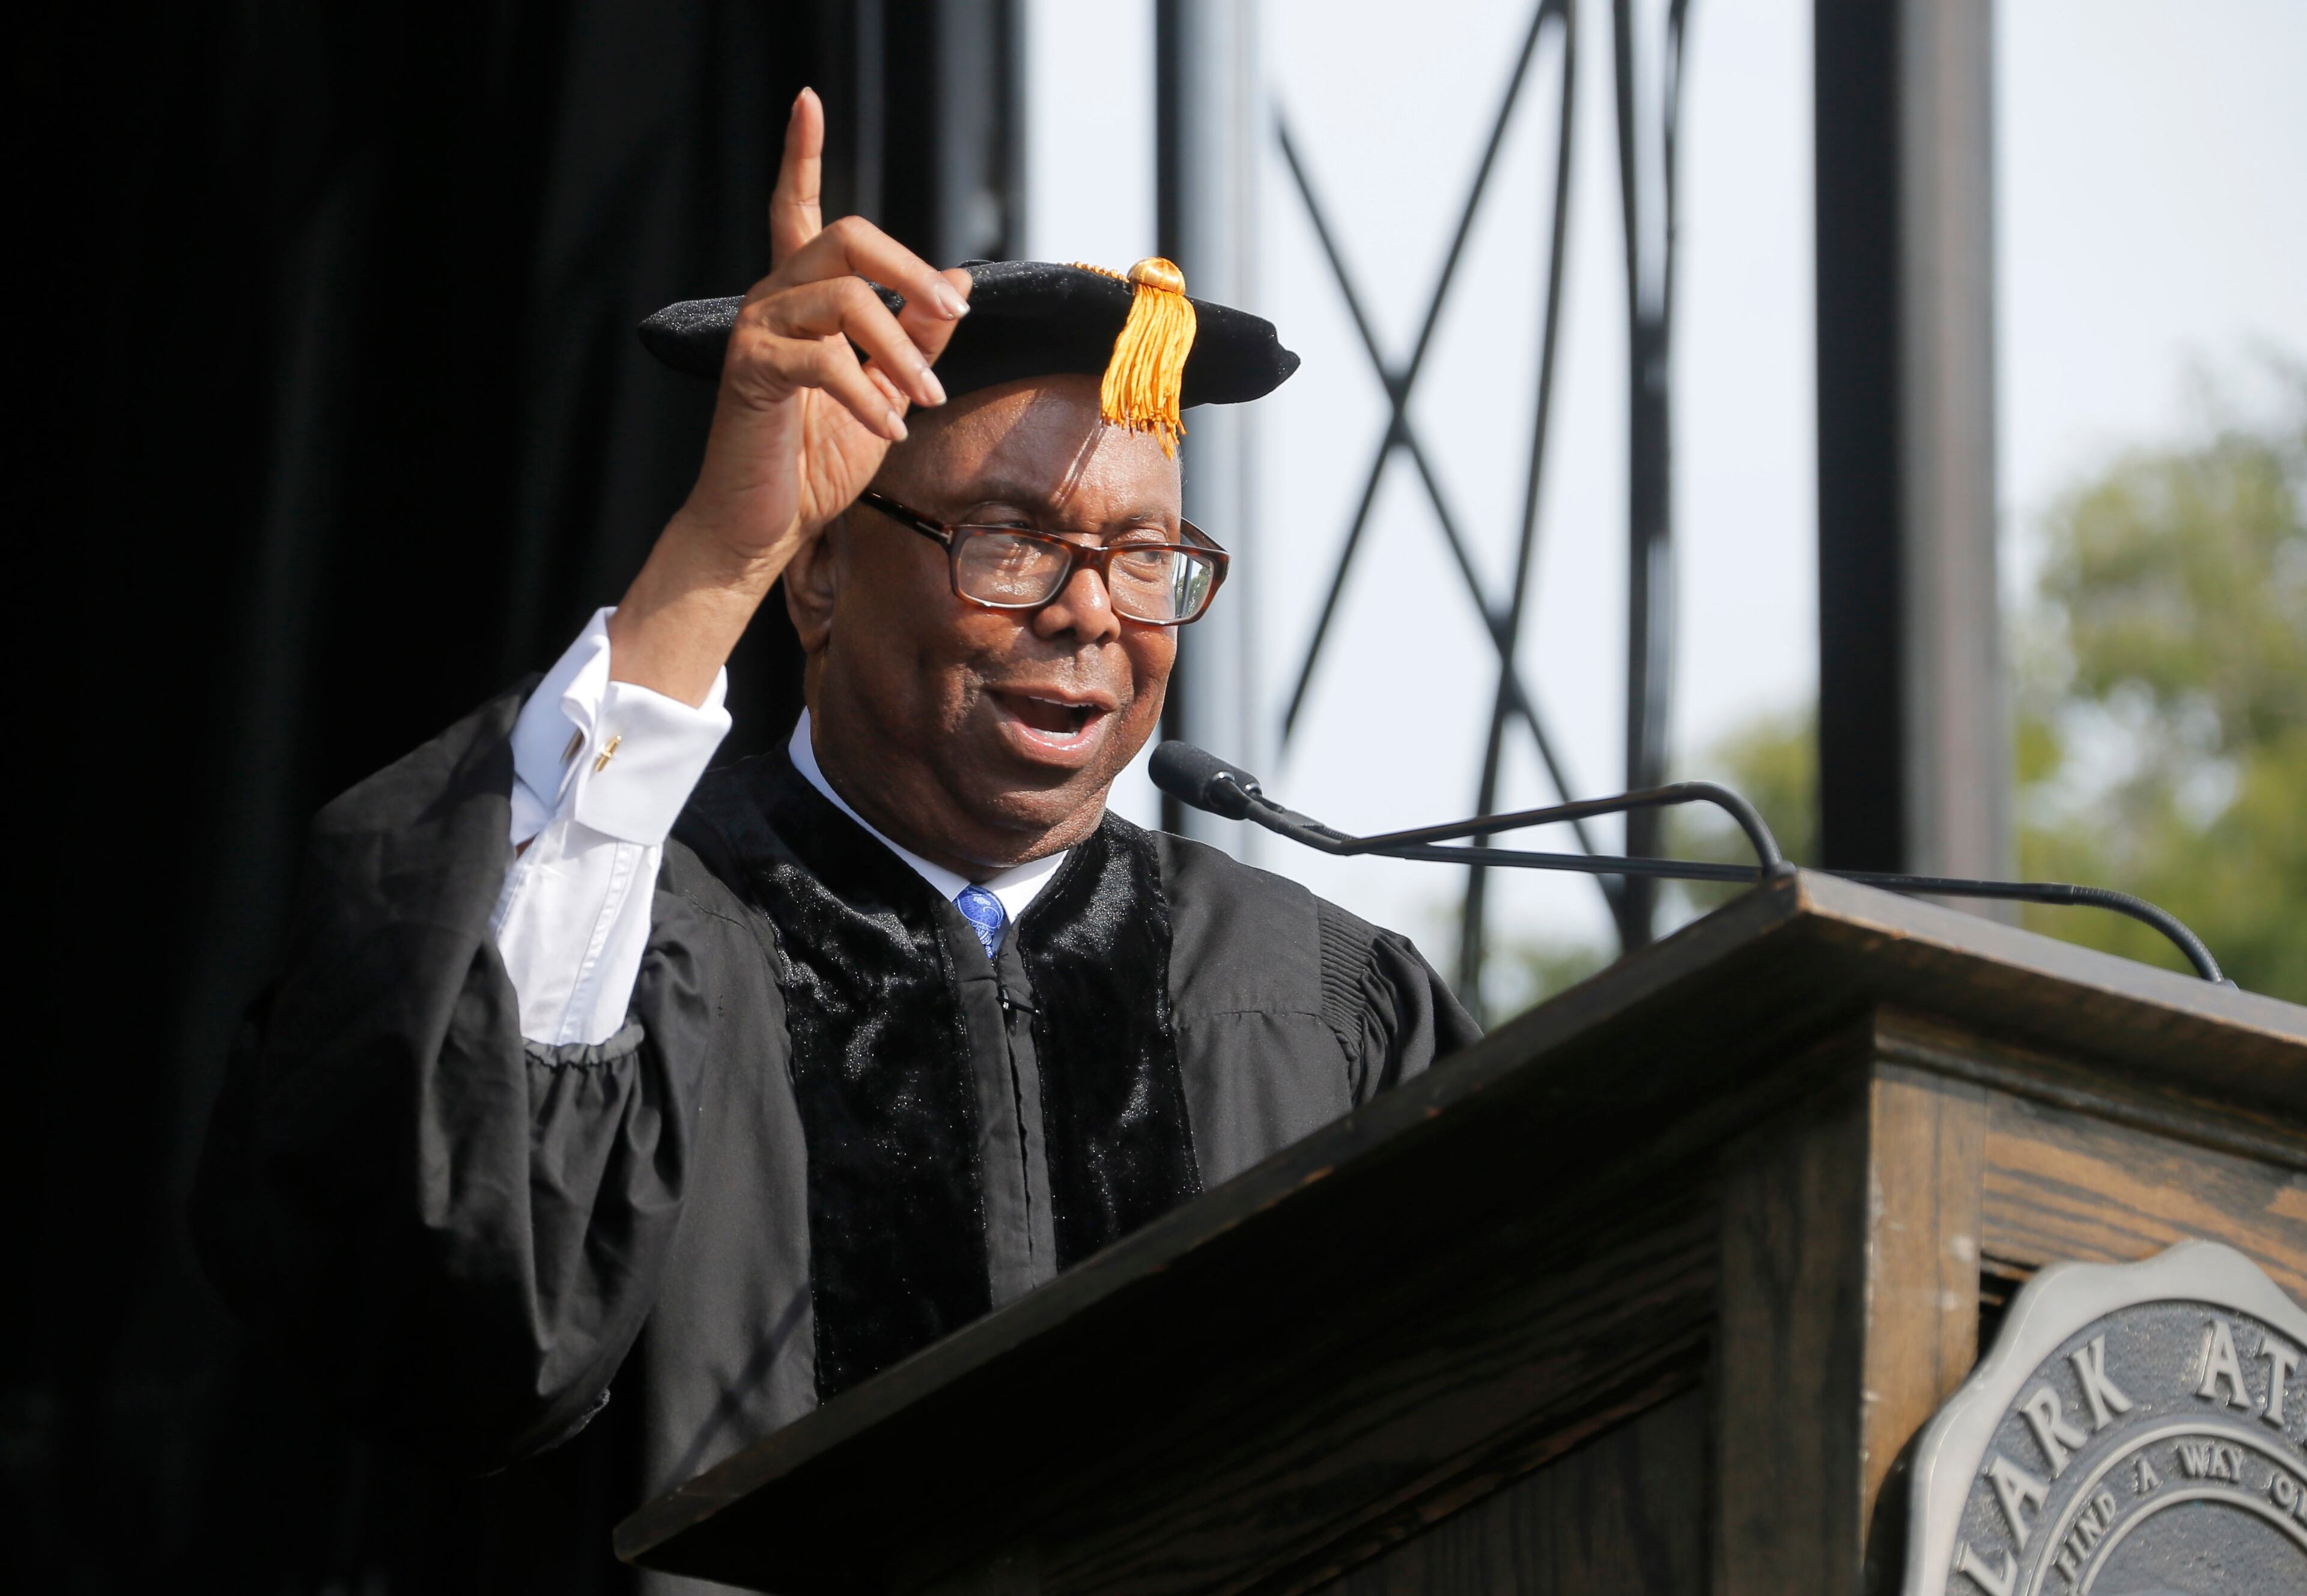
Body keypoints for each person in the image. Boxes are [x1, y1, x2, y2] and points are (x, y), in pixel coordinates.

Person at [193, 89, 1476, 1586]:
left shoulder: (1315, 1003)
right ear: (817, 580)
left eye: (1145, 556)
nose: (1088, 611)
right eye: (1008, 542)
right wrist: (715, 557)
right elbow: (444, 1313)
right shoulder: (619, 940)